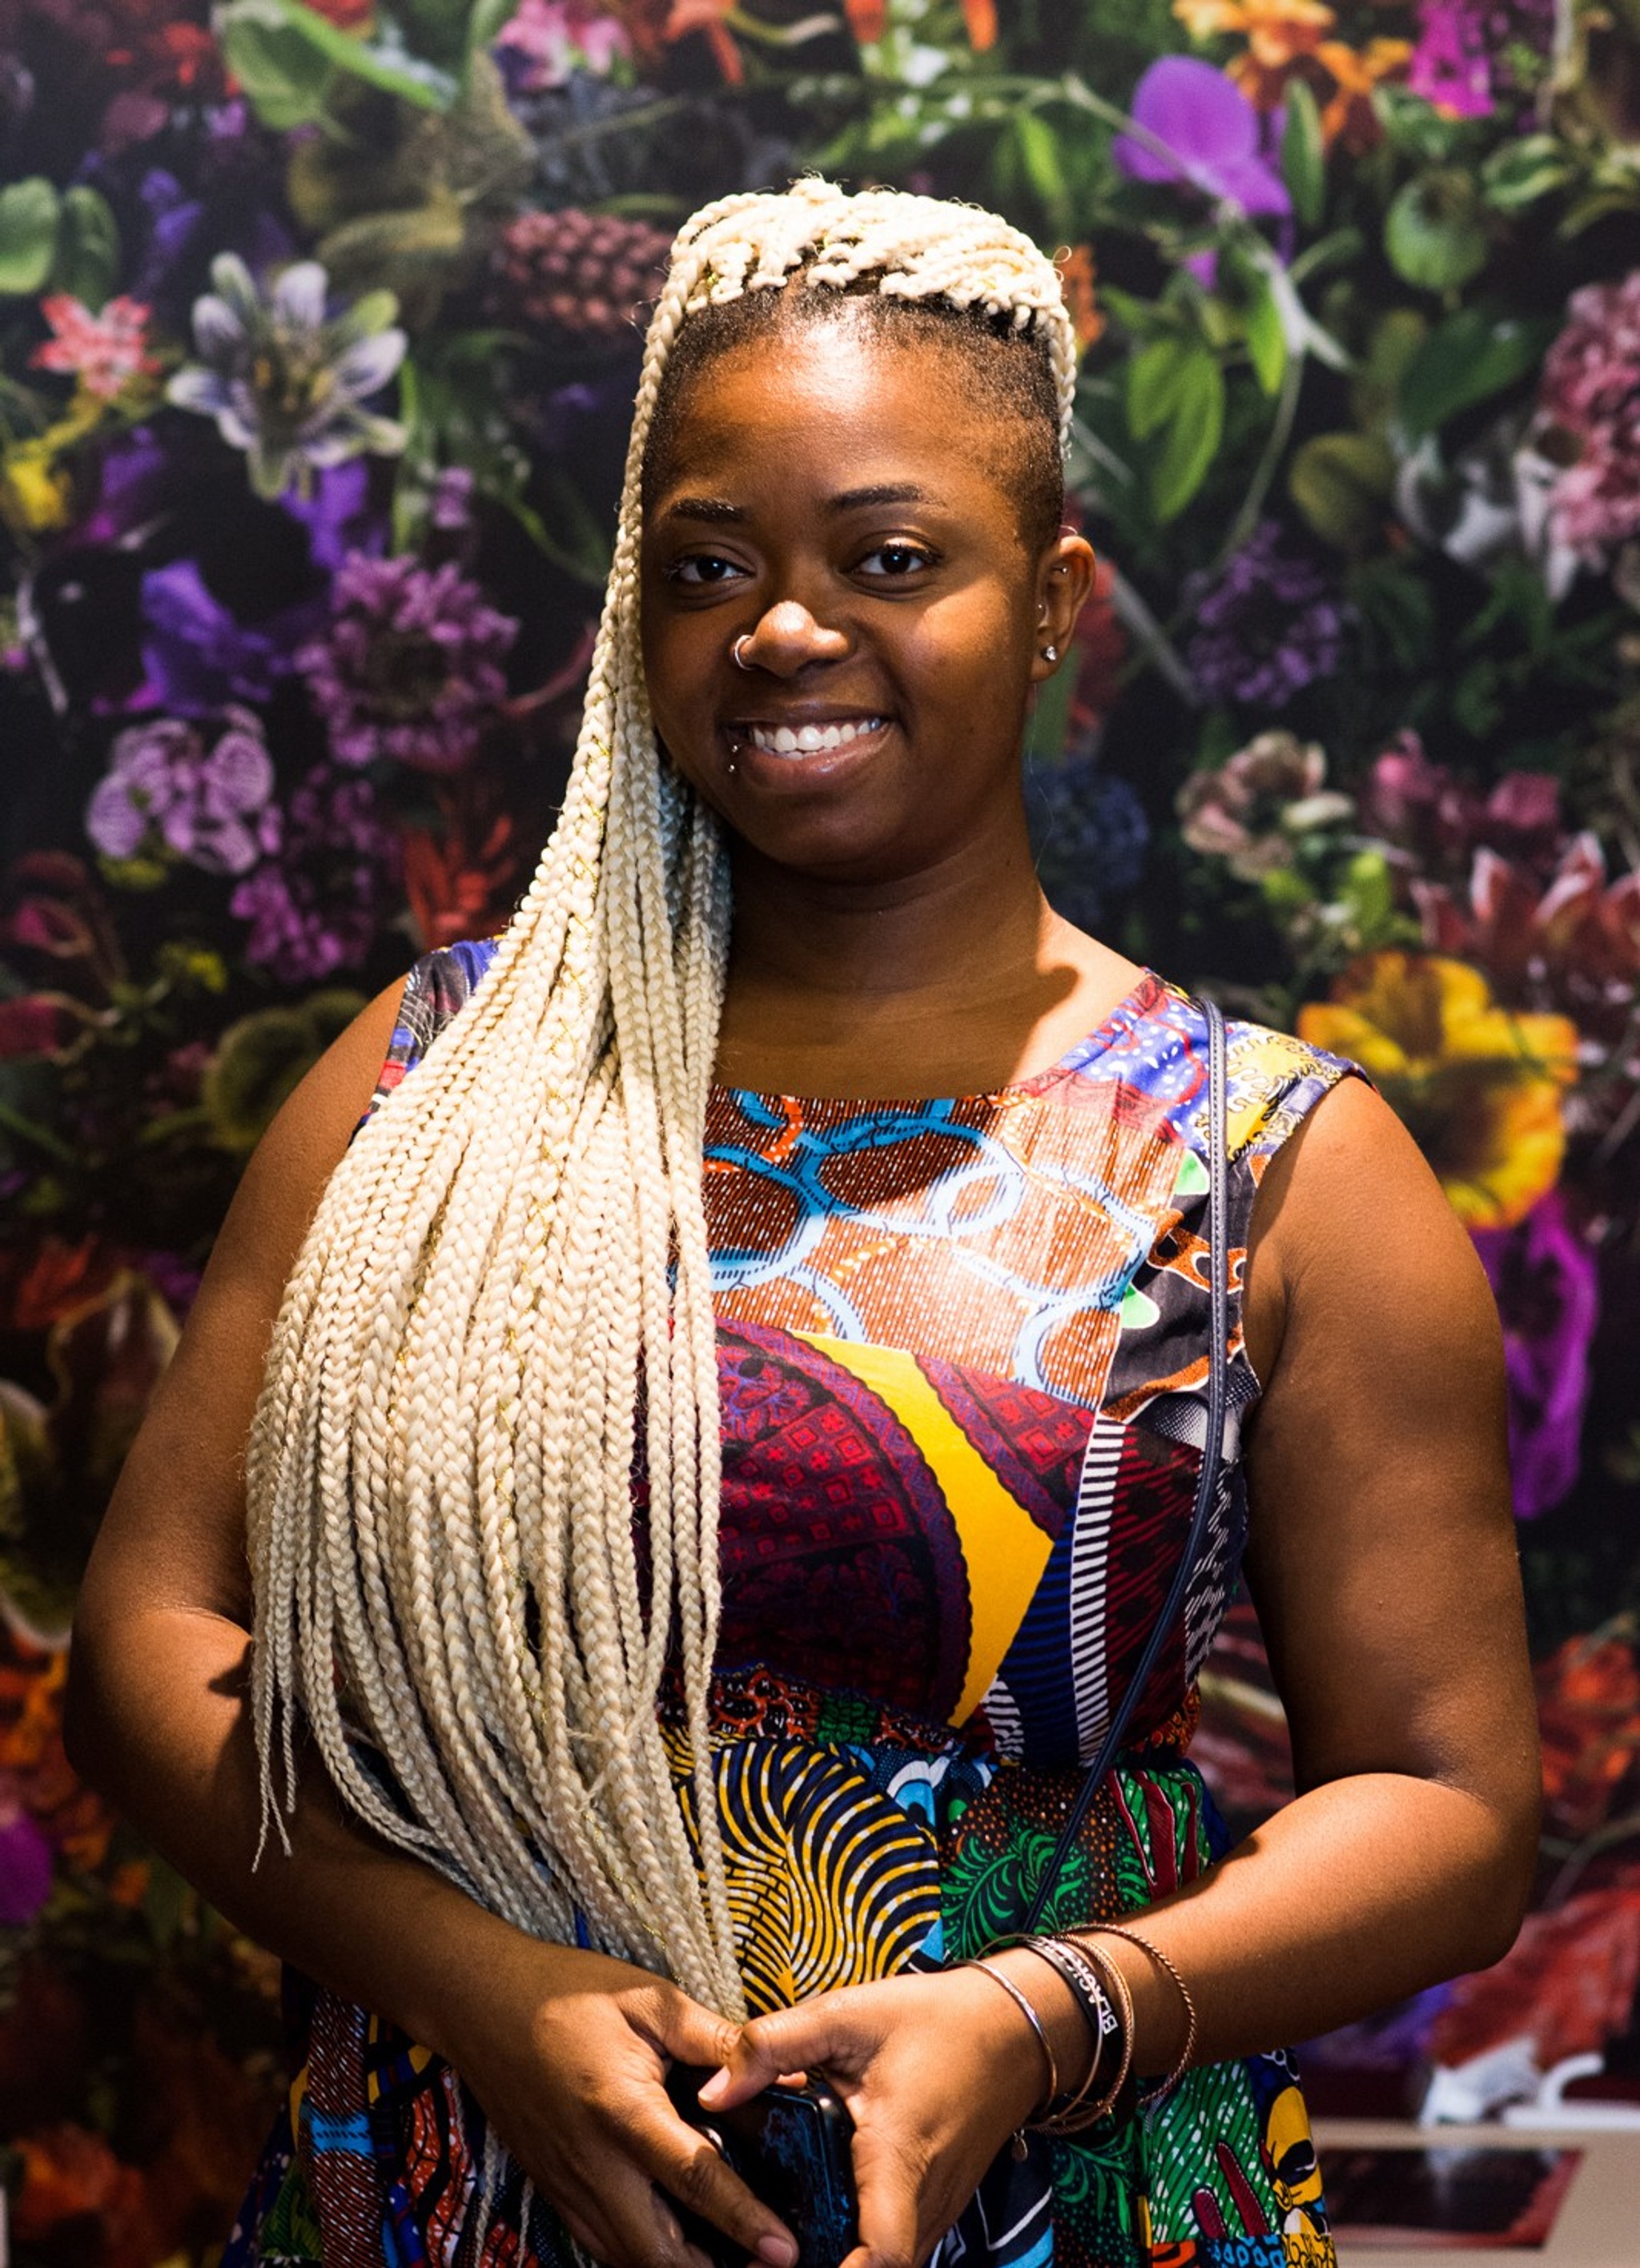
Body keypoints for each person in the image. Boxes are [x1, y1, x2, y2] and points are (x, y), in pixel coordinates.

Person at [66, 179, 1542, 2268]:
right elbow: (150, 1647)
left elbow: (1453, 1804)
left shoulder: (1270, 1157)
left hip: (1061, 2209)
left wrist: (1042, 2016)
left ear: (1055, 600)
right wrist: (480, 1988)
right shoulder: (428, 1087)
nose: (781, 624)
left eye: (893, 557)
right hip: (453, 2193)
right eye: (708, 566)